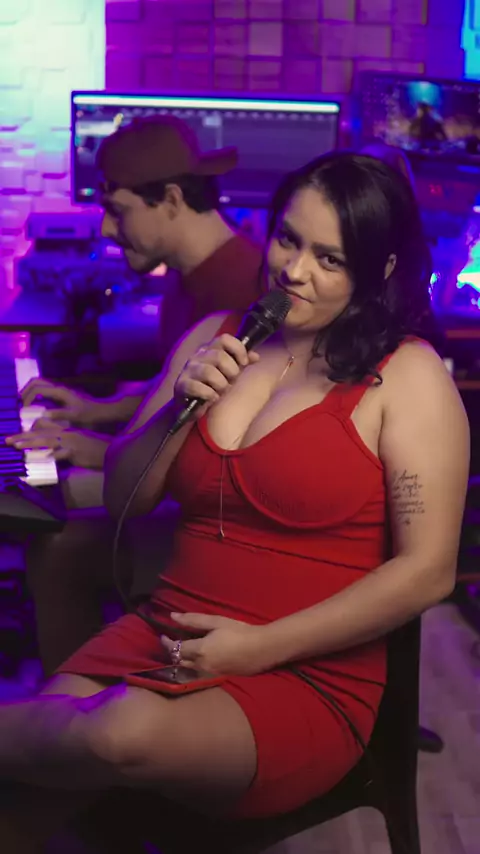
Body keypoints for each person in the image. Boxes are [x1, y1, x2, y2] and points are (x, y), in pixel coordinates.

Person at [0, 152, 468, 851]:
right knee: (21, 804)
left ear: (381, 269)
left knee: (113, 732)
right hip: (163, 633)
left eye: (330, 259)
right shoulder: (216, 335)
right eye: (287, 239)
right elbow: (127, 500)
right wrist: (176, 407)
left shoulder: (409, 375)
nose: (294, 270)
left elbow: (427, 573)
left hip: (303, 670)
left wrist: (256, 648)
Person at [7, 116, 263, 675]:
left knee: (58, 542)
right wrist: (93, 411)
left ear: (170, 199)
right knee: (46, 491)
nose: (105, 228)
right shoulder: (193, 275)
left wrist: (95, 448)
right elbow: (172, 387)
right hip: (178, 489)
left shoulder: (241, 289)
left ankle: (73, 713)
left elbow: (212, 455)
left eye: (117, 210)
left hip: (219, 525)